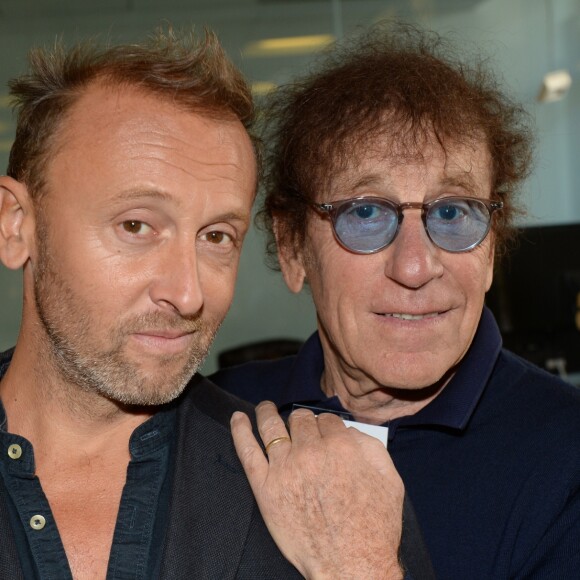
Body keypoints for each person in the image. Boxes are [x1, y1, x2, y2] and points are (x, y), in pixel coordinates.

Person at [0, 27, 432, 580]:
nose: (188, 293)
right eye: (136, 225)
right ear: (18, 228)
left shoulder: (334, 500)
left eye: (216, 237)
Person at [216, 23, 580, 579]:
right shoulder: (216, 422)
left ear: (491, 252)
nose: (415, 266)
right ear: (292, 248)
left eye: (454, 212)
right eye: (365, 213)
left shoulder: (566, 459)